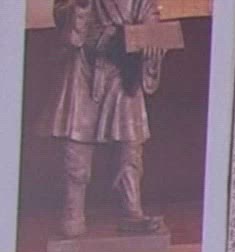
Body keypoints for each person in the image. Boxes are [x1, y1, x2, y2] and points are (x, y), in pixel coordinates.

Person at [37, 0, 170, 239]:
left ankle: (132, 212)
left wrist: (149, 38)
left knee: (130, 146)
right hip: (84, 66)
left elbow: (150, 15)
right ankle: (73, 214)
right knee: (76, 146)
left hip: (123, 67)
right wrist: (81, 7)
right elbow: (62, 14)